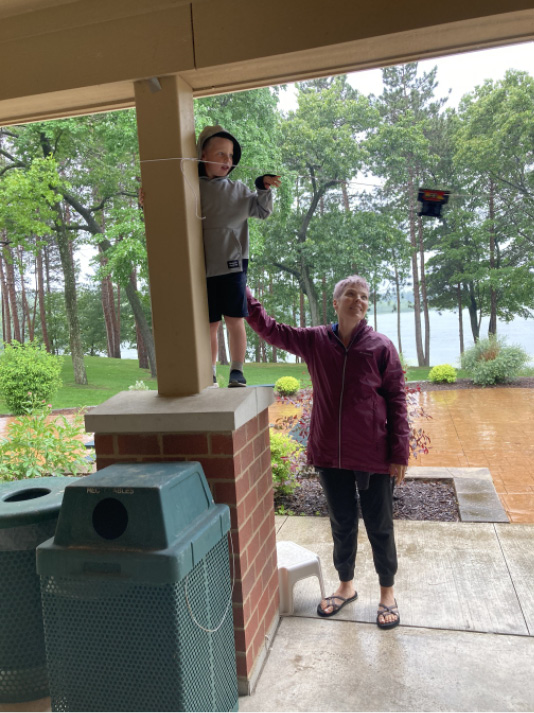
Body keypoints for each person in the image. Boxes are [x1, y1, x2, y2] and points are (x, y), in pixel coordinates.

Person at [245, 275, 410, 628]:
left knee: (379, 525)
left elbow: (397, 400)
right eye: (350, 294)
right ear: (335, 303)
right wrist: (240, 290)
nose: (358, 300)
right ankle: (346, 586)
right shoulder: (316, 340)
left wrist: (399, 453)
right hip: (329, 454)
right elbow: (271, 329)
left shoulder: (381, 346)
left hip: (373, 455)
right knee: (342, 523)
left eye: (364, 296)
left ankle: (387, 593)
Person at [197, 125, 280, 388]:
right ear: (201, 155)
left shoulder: (238, 189)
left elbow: (262, 211)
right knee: (209, 324)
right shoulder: (190, 188)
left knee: (234, 319)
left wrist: (263, 187)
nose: (227, 160)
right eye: (220, 154)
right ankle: (208, 372)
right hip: (200, 270)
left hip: (232, 265)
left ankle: (237, 370)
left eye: (231, 156)